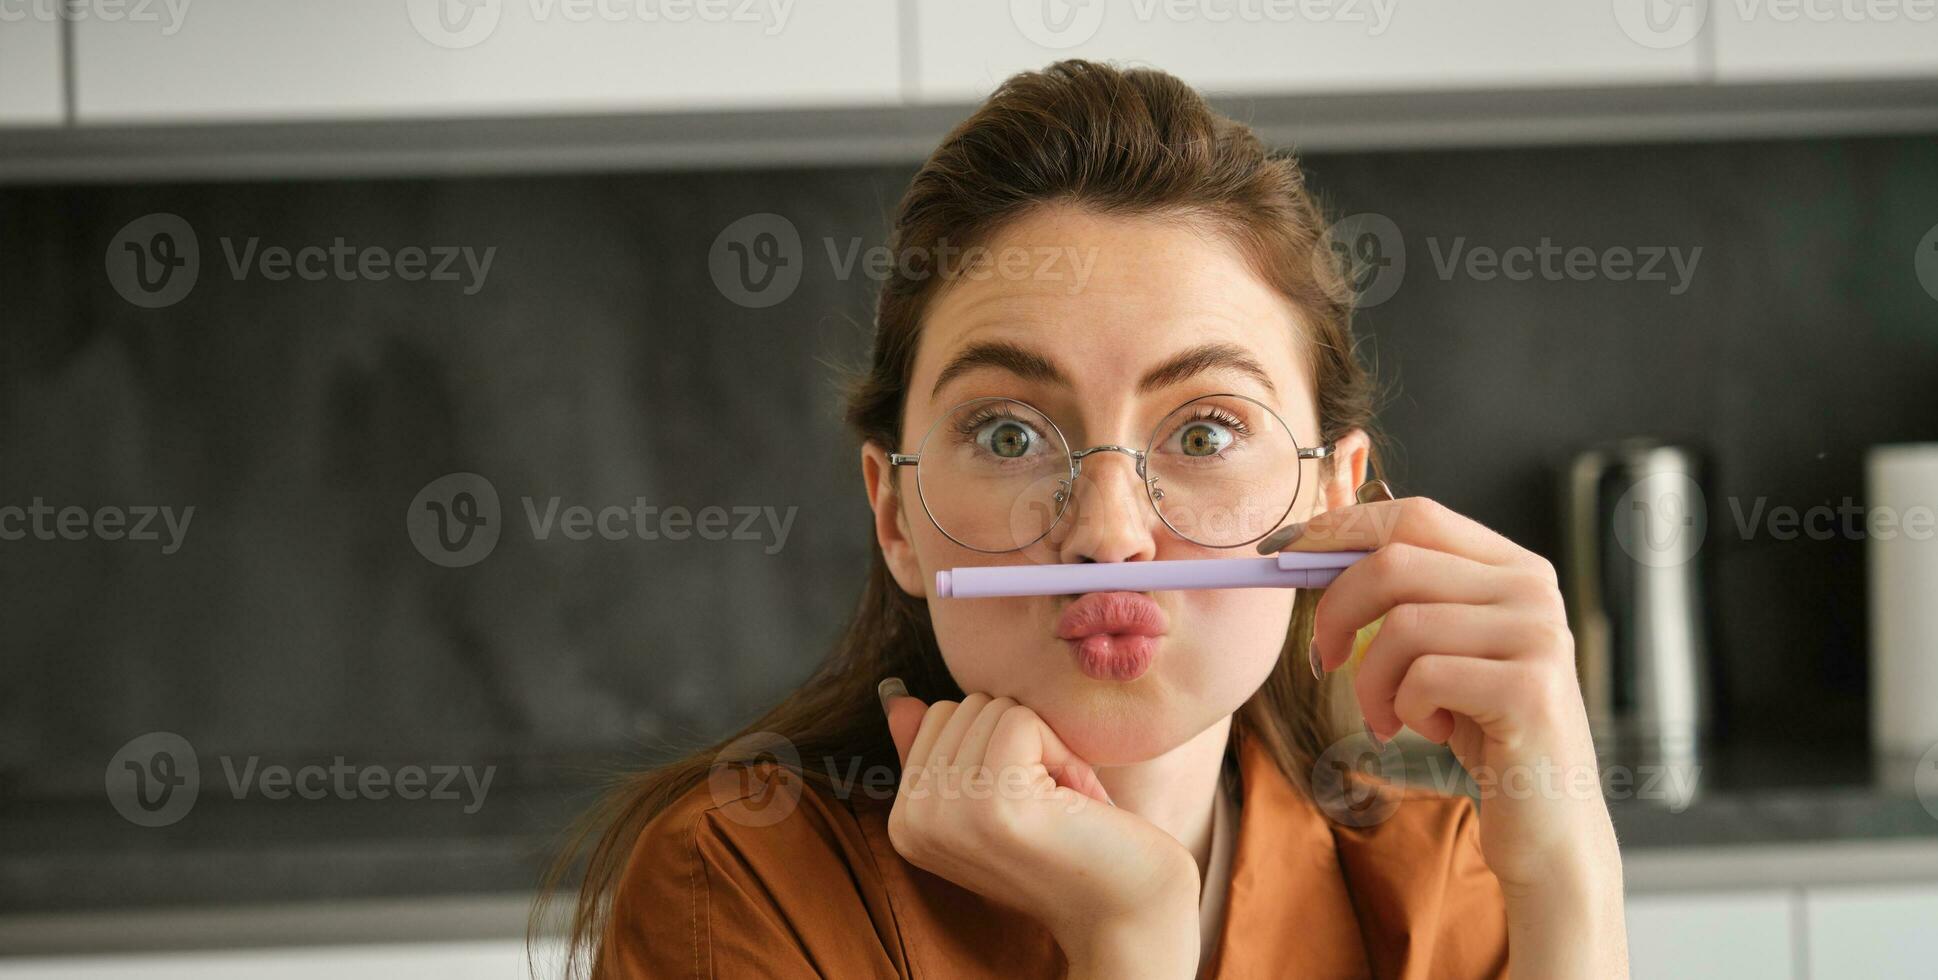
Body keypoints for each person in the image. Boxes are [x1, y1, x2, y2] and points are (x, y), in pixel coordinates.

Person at [540, 59, 1628, 979]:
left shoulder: (1449, 884)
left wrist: (1571, 872)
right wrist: (1128, 933)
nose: (1108, 534)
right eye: (1010, 433)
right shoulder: (740, 881)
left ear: (1332, 497)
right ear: (896, 515)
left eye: (1204, 432)